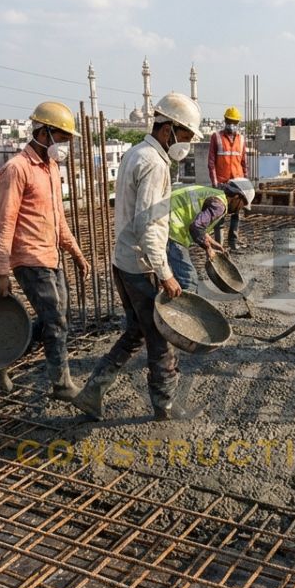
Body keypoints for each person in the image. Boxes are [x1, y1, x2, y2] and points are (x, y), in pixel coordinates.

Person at [72, 92, 200, 422]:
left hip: (123, 260)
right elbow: (149, 222)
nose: (185, 144)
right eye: (185, 136)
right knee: (160, 338)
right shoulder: (155, 164)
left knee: (136, 331)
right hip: (142, 265)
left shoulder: (135, 153)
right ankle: (165, 406)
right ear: (168, 128)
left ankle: (92, 391)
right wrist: (165, 272)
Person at [0, 101, 90, 399]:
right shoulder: (17, 169)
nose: (66, 145)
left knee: (57, 318)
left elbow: (58, 218)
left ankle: (3, 360)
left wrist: (76, 252)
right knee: (56, 319)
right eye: (63, 138)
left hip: (50, 256)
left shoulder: (50, 168)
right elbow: (5, 222)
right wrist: (1, 271)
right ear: (44, 132)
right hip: (29, 259)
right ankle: (62, 384)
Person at [166, 178, 255, 292]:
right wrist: (208, 249)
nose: (239, 209)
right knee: (189, 280)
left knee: (174, 275)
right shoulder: (220, 205)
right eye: (242, 205)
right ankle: (183, 308)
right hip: (171, 227)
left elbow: (199, 223)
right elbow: (196, 227)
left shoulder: (217, 196)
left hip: (169, 221)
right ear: (237, 197)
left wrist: (213, 243)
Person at [208, 106, 249, 251]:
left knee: (236, 214)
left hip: (237, 183)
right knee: (220, 215)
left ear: (238, 123)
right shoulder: (216, 137)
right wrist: (215, 183)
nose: (232, 124)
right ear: (225, 120)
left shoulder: (242, 139)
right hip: (222, 184)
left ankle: (233, 243)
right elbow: (211, 162)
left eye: (234, 122)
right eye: (230, 121)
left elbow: (244, 162)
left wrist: (246, 183)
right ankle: (220, 246)